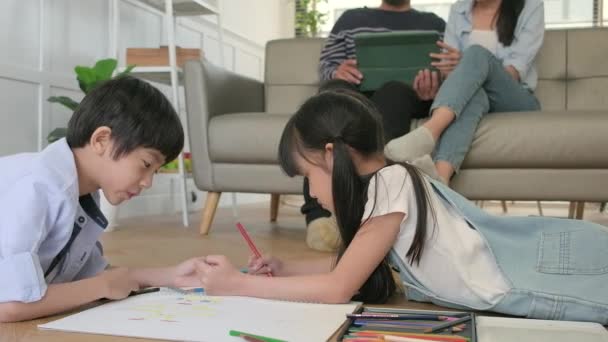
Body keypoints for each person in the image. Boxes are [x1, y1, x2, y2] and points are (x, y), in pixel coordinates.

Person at [194, 90, 608, 324]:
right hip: (544, 257)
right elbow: (351, 266)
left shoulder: (390, 187)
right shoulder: (394, 180)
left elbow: (338, 288)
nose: (311, 191)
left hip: (545, 267)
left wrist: (240, 285)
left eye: (307, 175)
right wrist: (286, 269)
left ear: (333, 156)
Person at [0, 76, 204, 322]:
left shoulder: (84, 195)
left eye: (155, 171)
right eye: (146, 164)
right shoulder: (38, 187)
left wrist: (172, 275)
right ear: (101, 140)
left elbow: (89, 275)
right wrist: (100, 287)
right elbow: (9, 305)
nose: (148, 182)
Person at [305, 0, 446, 252]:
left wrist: (434, 86)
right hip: (356, 93)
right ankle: (321, 216)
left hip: (405, 96)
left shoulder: (434, 25)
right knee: (332, 96)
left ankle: (367, 211)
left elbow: (447, 72)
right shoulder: (351, 19)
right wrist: (338, 70)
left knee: (392, 93)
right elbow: (326, 67)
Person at [385, 0, 544, 184]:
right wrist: (453, 70)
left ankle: (429, 131)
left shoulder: (531, 6)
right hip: (476, 96)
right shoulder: (459, 9)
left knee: (476, 53)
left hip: (516, 98)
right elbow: (452, 77)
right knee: (474, 95)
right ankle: (440, 183)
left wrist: (468, 63)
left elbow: (514, 72)